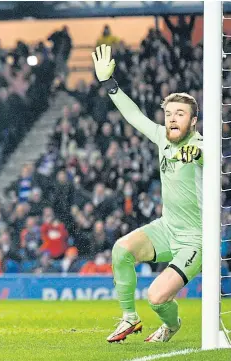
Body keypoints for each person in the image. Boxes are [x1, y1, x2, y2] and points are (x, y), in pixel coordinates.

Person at [93, 44, 203, 343]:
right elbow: (133, 115)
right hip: (167, 229)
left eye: (179, 114)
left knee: (156, 298)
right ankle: (129, 318)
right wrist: (110, 84)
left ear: (193, 121)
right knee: (121, 250)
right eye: (168, 113)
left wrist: (199, 154)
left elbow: (206, 158)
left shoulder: (202, 147)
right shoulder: (161, 138)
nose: (172, 119)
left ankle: (172, 325)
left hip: (196, 240)